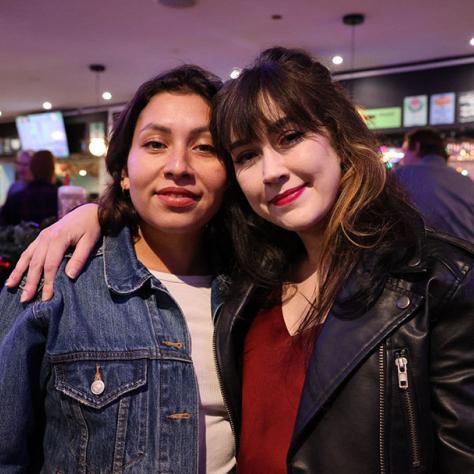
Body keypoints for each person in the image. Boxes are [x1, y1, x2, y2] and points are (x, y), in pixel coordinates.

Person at [6, 48, 474, 473]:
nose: (272, 171)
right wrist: (92, 213)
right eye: (248, 154)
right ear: (123, 171)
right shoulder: (250, 282)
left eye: (207, 147)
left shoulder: (422, 283)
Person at [0, 65, 236, 473]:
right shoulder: (55, 283)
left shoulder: (259, 290)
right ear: (124, 171)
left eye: (205, 147)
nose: (179, 165)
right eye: (156, 144)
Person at [396, 128, 474, 242]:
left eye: (405, 151)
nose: (403, 158)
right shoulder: (467, 181)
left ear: (417, 147)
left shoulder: (402, 174)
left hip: (439, 256)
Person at [0, 149, 58, 225]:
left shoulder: (57, 189)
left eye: (25, 164)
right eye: (19, 164)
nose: (21, 169)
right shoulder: (14, 188)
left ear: (35, 167)